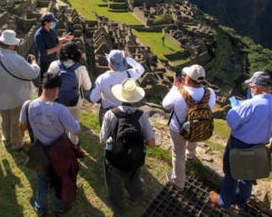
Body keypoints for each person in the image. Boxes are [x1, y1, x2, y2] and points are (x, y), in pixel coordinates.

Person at [209, 71, 272, 209]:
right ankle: (241, 201)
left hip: (239, 144)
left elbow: (232, 122)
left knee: (231, 173)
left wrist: (237, 108)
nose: (250, 87)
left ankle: (224, 201)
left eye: (251, 85)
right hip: (260, 146)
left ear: (256, 87)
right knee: (249, 175)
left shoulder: (250, 105)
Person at [19, 74, 81, 215]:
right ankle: (59, 207)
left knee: (41, 179)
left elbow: (22, 126)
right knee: (60, 178)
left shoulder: (27, 105)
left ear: (42, 87)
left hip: (39, 150)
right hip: (59, 151)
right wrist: (76, 122)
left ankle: (40, 207)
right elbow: (76, 131)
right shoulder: (60, 109)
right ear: (57, 90)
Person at [99, 78, 156, 212]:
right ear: (135, 98)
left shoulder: (110, 114)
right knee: (133, 176)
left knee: (114, 182)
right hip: (134, 156)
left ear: (120, 96)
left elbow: (102, 141)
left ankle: (118, 206)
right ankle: (135, 197)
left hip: (114, 157)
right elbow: (152, 143)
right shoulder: (142, 116)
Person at [162, 64, 216, 190]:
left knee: (177, 155)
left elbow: (165, 105)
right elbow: (210, 107)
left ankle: (178, 181)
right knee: (194, 132)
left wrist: (174, 87)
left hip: (178, 129)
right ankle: (190, 155)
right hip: (198, 126)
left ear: (189, 79)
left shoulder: (178, 94)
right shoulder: (210, 93)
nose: (183, 77)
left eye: (185, 75)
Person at [0, 30, 40, 151]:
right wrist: (34, 63)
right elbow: (33, 74)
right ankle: (17, 143)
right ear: (10, 44)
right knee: (16, 120)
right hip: (15, 95)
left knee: (4, 117)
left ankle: (7, 138)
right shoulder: (16, 59)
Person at [47, 42, 92, 145]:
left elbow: (48, 83)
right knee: (73, 123)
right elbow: (88, 87)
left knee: (58, 123)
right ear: (77, 54)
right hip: (74, 101)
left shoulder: (54, 65)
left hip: (57, 100)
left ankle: (58, 143)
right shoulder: (81, 69)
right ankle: (73, 143)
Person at [89, 50, 145, 126]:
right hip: (124, 112)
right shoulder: (129, 74)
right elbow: (141, 68)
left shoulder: (101, 78)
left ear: (109, 63)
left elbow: (93, 98)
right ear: (123, 62)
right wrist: (128, 58)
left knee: (105, 134)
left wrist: (103, 94)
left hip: (107, 111)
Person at [34, 12, 73, 82]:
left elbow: (55, 40)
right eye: (52, 22)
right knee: (44, 83)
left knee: (54, 82)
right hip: (45, 63)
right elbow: (43, 53)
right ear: (46, 22)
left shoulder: (51, 31)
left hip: (54, 61)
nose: (54, 23)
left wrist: (64, 39)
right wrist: (57, 48)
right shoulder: (39, 35)